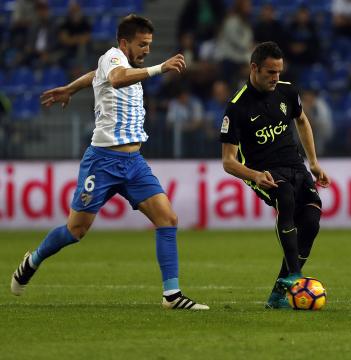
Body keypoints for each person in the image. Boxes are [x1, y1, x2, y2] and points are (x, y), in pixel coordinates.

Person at [10, 14, 208, 310]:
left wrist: (70, 88)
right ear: (124, 43)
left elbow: (96, 76)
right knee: (76, 230)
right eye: (142, 45)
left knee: (168, 219)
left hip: (134, 163)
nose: (147, 50)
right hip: (102, 162)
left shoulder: (123, 65)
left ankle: (172, 295)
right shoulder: (113, 58)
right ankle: (33, 259)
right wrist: (160, 68)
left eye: (150, 45)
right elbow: (114, 79)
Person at [220, 42, 330, 309]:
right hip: (265, 172)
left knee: (312, 219)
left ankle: (280, 289)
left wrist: (313, 163)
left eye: (279, 72)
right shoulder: (237, 108)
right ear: (254, 68)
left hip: (296, 166)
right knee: (285, 197)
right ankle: (295, 276)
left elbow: (302, 121)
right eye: (270, 72)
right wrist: (255, 176)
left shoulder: (287, 92)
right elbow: (228, 162)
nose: (275, 78)